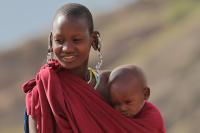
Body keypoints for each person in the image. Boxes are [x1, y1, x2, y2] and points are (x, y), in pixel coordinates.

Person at [22, 3, 163, 133]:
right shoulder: (43, 91)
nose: (67, 48)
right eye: (59, 40)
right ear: (50, 41)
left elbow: (145, 125)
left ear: (94, 40)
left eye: (76, 40)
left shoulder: (111, 86)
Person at [109, 65, 166, 133]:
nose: (122, 108)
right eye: (116, 103)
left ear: (145, 94)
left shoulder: (153, 117)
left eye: (128, 102)